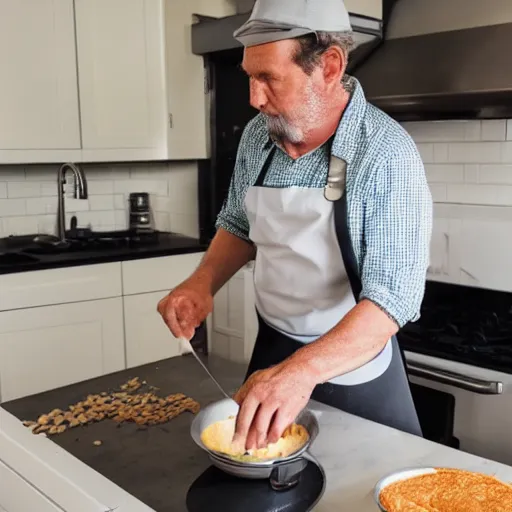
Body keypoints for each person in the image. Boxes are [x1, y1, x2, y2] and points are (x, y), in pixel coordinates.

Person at [158, 0, 433, 452]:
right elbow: (238, 224)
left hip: (352, 371)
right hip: (273, 351)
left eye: (268, 78)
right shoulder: (258, 135)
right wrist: (201, 283)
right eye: (251, 76)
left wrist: (300, 371)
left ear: (329, 65)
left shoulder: (385, 154)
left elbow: (392, 301)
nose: (254, 97)